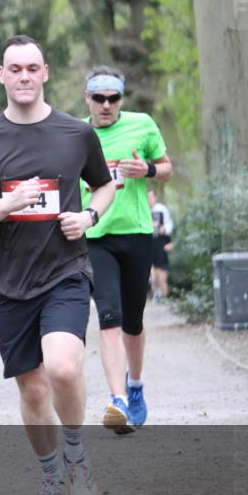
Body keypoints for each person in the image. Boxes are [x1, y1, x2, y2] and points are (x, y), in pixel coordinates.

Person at [0, 35, 115, 495]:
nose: (24, 76)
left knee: (63, 367)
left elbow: (103, 186)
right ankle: (49, 475)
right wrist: (6, 204)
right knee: (34, 389)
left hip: (65, 271)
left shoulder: (74, 134)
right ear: (2, 76)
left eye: (32, 68)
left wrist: (88, 217)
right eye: (14, 69)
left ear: (45, 74)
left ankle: (77, 456)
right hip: (8, 283)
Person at [80, 66, 172, 433]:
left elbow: (167, 169)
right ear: (87, 98)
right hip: (95, 237)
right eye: (98, 98)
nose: (106, 105)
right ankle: (117, 400)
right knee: (109, 317)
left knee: (133, 323)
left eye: (113, 98)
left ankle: (135, 387)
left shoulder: (142, 125)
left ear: (121, 98)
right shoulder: (76, 133)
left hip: (136, 234)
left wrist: (147, 168)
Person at [148, 189, 174, 301]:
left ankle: (163, 296)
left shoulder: (162, 209)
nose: (149, 200)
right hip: (147, 243)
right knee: (151, 271)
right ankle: (156, 293)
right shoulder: (144, 209)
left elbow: (169, 224)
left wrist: (166, 230)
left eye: (150, 197)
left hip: (160, 242)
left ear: (155, 197)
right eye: (147, 198)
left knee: (160, 270)